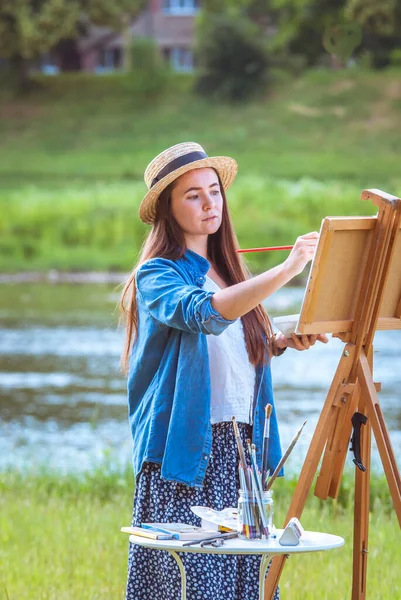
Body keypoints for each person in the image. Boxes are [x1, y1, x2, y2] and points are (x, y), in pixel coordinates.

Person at [120, 142, 328, 600]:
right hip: (186, 454)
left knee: (243, 586)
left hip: (241, 450)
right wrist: (290, 267)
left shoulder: (231, 274)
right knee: (191, 586)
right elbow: (205, 315)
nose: (209, 202)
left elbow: (228, 346)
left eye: (213, 191)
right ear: (168, 210)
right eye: (192, 195)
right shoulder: (157, 274)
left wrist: (276, 341)